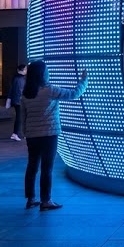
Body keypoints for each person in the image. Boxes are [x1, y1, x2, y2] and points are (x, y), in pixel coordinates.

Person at [21, 60, 89, 211]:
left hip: (32, 135)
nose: (49, 73)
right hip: (49, 134)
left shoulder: (26, 93)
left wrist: (25, 132)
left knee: (32, 167)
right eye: (47, 70)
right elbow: (73, 94)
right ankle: (46, 201)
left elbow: (23, 116)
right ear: (42, 74)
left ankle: (31, 198)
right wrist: (83, 80)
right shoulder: (49, 90)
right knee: (47, 168)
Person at [5, 63, 27, 141]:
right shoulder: (21, 79)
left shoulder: (16, 78)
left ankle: (18, 133)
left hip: (16, 100)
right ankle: (16, 133)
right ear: (23, 70)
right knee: (20, 117)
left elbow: (12, 90)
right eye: (25, 69)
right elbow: (20, 91)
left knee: (20, 117)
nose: (26, 71)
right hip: (19, 101)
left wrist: (9, 99)